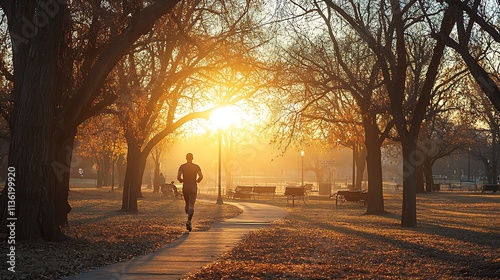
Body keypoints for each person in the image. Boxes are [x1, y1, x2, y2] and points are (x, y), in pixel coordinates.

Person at [177, 153, 203, 232]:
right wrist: (197, 180)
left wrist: (181, 180)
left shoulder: (182, 166)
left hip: (185, 187)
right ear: (192, 158)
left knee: (187, 204)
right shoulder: (196, 167)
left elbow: (178, 177)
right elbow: (201, 176)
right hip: (192, 187)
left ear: (186, 158)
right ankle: (189, 221)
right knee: (191, 205)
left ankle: (187, 208)